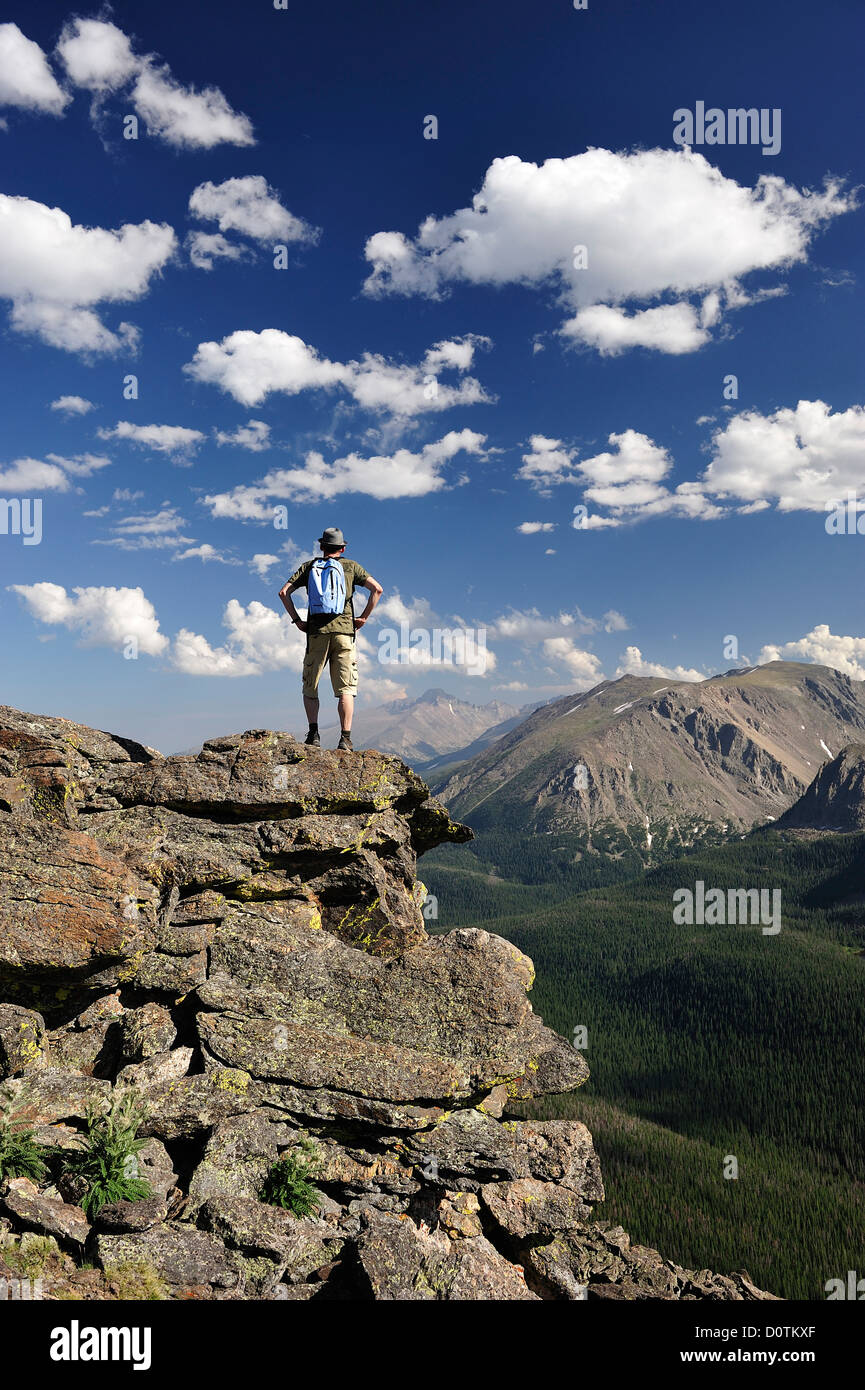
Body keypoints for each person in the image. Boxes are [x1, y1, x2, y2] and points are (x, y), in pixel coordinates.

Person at [278, 527, 383, 751]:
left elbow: (283, 592)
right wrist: (363, 617)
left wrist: (297, 620)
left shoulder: (309, 567)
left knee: (310, 685)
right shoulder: (352, 566)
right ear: (343, 548)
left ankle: (314, 735)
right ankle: (345, 738)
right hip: (345, 633)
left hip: (316, 633)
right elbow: (377, 590)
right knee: (346, 688)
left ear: (321, 547)